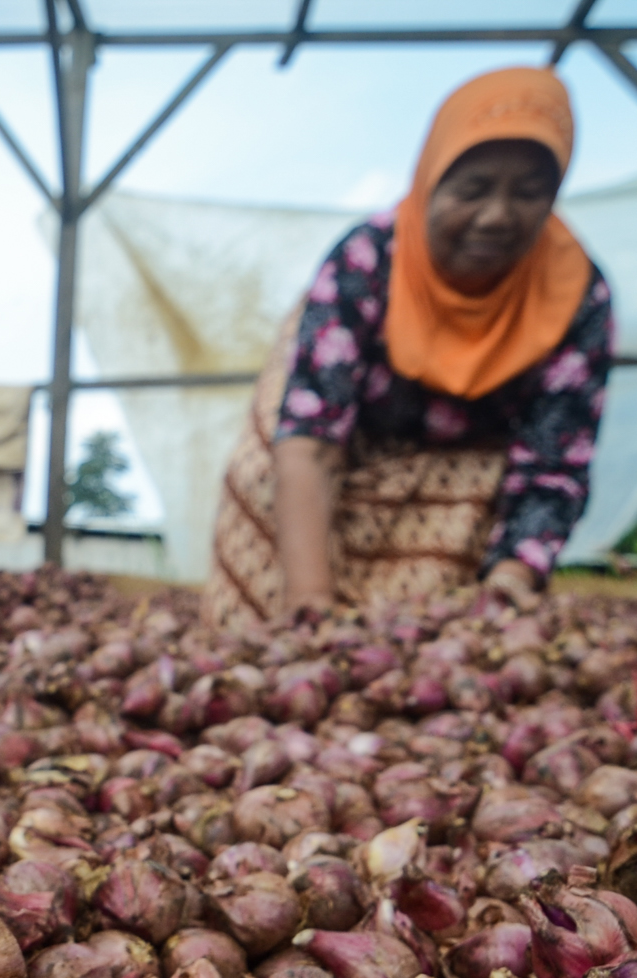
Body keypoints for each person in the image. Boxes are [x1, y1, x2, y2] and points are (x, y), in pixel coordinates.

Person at [205, 66, 613, 629]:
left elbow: (553, 465)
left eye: (528, 193)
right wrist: (309, 601)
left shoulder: (576, 295)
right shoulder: (368, 260)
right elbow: (310, 443)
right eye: (473, 189)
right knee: (266, 494)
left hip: (463, 471)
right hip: (335, 453)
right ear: (429, 180)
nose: (497, 216)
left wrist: (511, 579)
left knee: (428, 633)